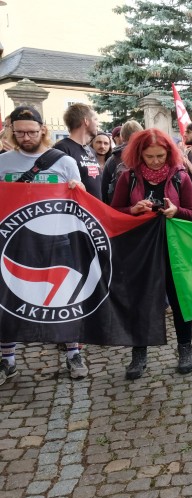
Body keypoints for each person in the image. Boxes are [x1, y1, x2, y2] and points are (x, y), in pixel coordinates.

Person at [0, 106, 89, 383]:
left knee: (64, 298)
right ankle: (7, 359)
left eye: (32, 132)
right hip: (14, 242)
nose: (26, 137)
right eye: (20, 133)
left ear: (43, 130)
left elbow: (81, 201)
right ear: (11, 132)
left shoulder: (63, 162)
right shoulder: (3, 163)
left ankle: (73, 353)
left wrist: (79, 189)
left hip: (57, 240)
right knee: (9, 298)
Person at [110, 128, 192, 379]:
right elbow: (115, 211)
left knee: (179, 301)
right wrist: (133, 210)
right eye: (150, 157)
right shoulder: (129, 177)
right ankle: (139, 354)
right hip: (140, 250)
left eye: (160, 156)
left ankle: (185, 350)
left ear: (169, 153)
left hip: (175, 248)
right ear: (140, 154)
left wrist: (176, 211)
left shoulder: (181, 176)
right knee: (140, 301)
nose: (156, 161)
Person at [54, 103, 103, 199]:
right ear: (86, 121)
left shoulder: (91, 150)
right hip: (78, 210)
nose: (98, 124)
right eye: (95, 119)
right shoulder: (61, 148)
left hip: (94, 210)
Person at [102, 120, 143, 204]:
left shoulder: (113, 158)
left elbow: (104, 189)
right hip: (142, 206)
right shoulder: (146, 154)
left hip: (118, 208)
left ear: (122, 137)